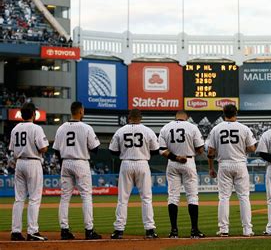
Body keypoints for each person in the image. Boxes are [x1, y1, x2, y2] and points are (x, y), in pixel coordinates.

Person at [53, 101, 102, 240]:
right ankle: (89, 230)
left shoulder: (61, 128)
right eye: (83, 110)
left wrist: (65, 161)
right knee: (86, 196)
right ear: (80, 111)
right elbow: (96, 149)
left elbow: (56, 150)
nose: (83, 112)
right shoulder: (86, 127)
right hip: (81, 162)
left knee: (64, 198)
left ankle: (64, 230)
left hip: (66, 162)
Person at [207, 104, 257, 237]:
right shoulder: (244, 128)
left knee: (223, 197)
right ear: (236, 113)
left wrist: (211, 167)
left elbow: (211, 151)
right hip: (240, 163)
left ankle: (224, 229)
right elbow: (252, 148)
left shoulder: (216, 129)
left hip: (224, 164)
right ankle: (247, 230)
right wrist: (241, 149)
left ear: (224, 113)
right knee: (244, 197)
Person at [109, 109, 160, 239]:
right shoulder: (148, 131)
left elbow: (113, 151)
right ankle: (149, 229)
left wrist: (125, 151)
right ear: (140, 118)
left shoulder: (120, 131)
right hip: (142, 163)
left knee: (123, 199)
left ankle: (119, 230)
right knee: (146, 198)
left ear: (129, 117)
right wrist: (144, 153)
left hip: (126, 163)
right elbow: (155, 150)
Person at [159, 110, 206, 239]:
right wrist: (190, 151)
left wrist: (176, 157)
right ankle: (194, 230)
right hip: (189, 161)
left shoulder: (166, 128)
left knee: (173, 197)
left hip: (172, 163)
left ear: (175, 117)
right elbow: (201, 149)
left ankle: (174, 231)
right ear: (187, 117)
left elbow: (162, 150)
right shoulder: (192, 127)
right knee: (192, 196)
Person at [9, 102, 49, 241]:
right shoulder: (36, 128)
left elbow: (12, 150)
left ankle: (15, 231)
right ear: (33, 114)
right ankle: (32, 231)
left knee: (19, 199)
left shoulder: (15, 129)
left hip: (19, 162)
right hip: (33, 162)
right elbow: (43, 148)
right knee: (34, 198)